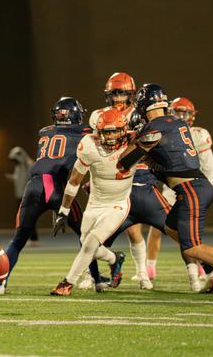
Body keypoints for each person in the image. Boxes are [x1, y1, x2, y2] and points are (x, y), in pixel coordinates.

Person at [118, 83, 213, 295]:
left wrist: (132, 139)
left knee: (192, 246)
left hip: (190, 189)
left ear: (143, 105)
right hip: (196, 186)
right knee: (171, 229)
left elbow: (124, 162)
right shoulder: (176, 123)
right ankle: (211, 270)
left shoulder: (155, 128)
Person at [0, 97, 105, 295]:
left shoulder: (45, 131)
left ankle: (0, 284)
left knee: (18, 240)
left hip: (33, 185)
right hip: (56, 186)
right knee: (85, 236)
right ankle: (97, 280)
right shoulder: (84, 132)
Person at [50, 108, 135, 296]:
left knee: (90, 243)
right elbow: (74, 181)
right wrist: (63, 211)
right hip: (95, 203)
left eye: (114, 131)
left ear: (124, 130)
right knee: (87, 244)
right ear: (98, 131)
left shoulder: (135, 142)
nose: (110, 137)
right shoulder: (89, 145)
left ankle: (67, 283)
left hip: (118, 203)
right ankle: (114, 259)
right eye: (106, 132)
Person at [82, 71, 149, 288]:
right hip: (105, 174)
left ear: (131, 94)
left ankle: (142, 273)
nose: (118, 97)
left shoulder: (138, 114)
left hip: (133, 172)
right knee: (93, 230)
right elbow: (95, 147)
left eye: (122, 93)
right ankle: (90, 274)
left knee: (133, 227)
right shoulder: (98, 115)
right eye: (114, 93)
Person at [146, 96, 213, 281]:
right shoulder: (165, 128)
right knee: (162, 226)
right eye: (179, 112)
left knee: (188, 233)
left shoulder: (198, 134)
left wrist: (200, 194)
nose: (183, 116)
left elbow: (210, 169)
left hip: (192, 186)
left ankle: (206, 267)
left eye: (186, 113)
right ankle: (150, 267)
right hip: (174, 187)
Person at [6, 146, 39, 244]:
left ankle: (30, 239)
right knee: (23, 217)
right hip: (20, 195)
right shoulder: (18, 167)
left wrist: (28, 161)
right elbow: (18, 178)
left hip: (27, 195)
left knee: (26, 217)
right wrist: (11, 177)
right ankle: (30, 238)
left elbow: (34, 171)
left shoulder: (27, 164)